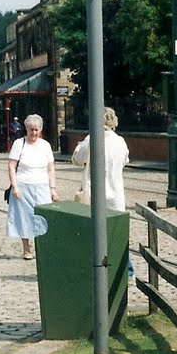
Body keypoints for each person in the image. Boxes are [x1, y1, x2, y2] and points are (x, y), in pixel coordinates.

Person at [71, 106, 132, 277]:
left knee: (93, 233)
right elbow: (125, 159)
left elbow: (77, 158)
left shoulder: (92, 139)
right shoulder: (120, 141)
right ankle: (125, 270)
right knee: (117, 233)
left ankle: (94, 268)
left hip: (94, 193)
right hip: (116, 193)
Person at [6, 114, 58, 260]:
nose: (33, 133)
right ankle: (26, 248)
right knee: (24, 217)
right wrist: (15, 187)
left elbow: (50, 169)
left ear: (40, 129)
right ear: (26, 129)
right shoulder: (19, 144)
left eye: (36, 130)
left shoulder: (45, 145)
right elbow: (11, 166)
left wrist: (52, 189)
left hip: (42, 185)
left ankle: (42, 247)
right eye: (31, 130)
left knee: (42, 218)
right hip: (23, 185)